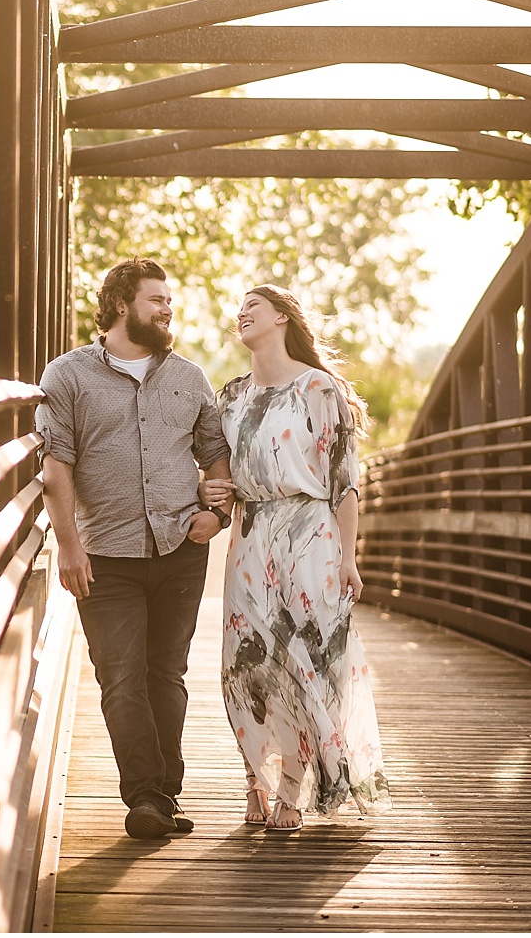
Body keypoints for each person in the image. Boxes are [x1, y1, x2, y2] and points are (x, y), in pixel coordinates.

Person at [36, 256, 232, 840]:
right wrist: (68, 547)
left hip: (179, 548)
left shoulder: (189, 378)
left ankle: (162, 795)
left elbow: (214, 451)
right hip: (106, 556)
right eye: (156, 299)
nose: (167, 309)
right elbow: (56, 465)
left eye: (169, 301)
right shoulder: (68, 375)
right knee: (121, 678)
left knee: (165, 674)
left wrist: (215, 515)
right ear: (121, 305)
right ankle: (145, 796)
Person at [201, 284, 393, 832]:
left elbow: (344, 482)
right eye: (239, 309)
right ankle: (254, 783)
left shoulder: (319, 388)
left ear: (283, 318)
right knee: (248, 664)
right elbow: (224, 473)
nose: (241, 314)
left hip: (310, 538)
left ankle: (290, 791)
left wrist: (348, 559)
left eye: (252, 306)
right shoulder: (231, 395)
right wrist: (213, 492)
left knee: (305, 661)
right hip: (250, 537)